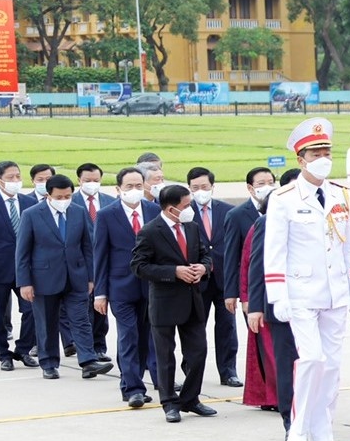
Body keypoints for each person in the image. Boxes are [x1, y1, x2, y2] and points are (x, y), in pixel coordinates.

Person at [263, 118, 350, 441]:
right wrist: (277, 295)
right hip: (301, 292)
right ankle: (299, 426)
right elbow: (274, 251)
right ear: (301, 158)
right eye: (315, 151)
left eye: (327, 150)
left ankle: (323, 431)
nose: (323, 156)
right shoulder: (284, 198)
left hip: (335, 291)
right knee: (310, 359)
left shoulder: (341, 194)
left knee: (332, 365)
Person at [130, 184, 217, 423]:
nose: (190, 209)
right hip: (165, 303)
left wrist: (204, 267)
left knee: (198, 353)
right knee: (165, 357)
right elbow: (139, 266)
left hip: (192, 301)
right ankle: (169, 402)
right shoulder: (150, 231)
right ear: (171, 209)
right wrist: (173, 271)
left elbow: (204, 254)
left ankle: (191, 398)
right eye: (186, 206)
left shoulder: (192, 227)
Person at [15, 174, 114, 381]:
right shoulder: (31, 214)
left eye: (67, 196)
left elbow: (88, 246)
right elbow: (22, 252)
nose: (64, 200)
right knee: (47, 322)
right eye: (59, 197)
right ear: (48, 195)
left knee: (81, 319)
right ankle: (49, 363)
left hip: (76, 277)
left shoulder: (78, 212)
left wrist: (90, 277)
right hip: (44, 278)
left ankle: (88, 361)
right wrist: (25, 282)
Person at [93, 167, 161, 407]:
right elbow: (100, 256)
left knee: (146, 337)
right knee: (128, 335)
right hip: (120, 286)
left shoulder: (154, 210)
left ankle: (142, 381)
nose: (134, 191)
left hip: (151, 286)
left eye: (138, 186)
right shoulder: (106, 215)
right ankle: (132, 388)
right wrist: (100, 293)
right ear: (118, 189)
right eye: (129, 186)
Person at [248, 169, 301, 437]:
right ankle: (289, 418)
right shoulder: (269, 221)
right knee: (286, 361)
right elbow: (258, 265)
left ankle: (313, 415)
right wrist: (255, 306)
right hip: (281, 301)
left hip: (314, 300)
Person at [187, 167, 241, 387]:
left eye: (205, 187)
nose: (201, 191)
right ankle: (192, 371)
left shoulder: (228, 211)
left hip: (224, 280)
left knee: (227, 327)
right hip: (197, 280)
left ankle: (228, 371)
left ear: (212, 187)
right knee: (194, 328)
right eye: (195, 188)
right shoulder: (184, 212)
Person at [0, 161, 39, 371]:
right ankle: (3, 353)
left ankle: (22, 350)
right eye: (10, 177)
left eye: (17, 176)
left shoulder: (29, 203)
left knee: (31, 310)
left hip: (26, 269)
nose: (15, 181)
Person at [72, 162, 114, 358]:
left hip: (105, 261)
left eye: (96, 180)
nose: (92, 184)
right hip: (82, 262)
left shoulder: (110, 201)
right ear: (79, 180)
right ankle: (86, 348)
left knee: (101, 307)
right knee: (85, 308)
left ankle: (99, 346)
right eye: (87, 181)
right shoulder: (71, 203)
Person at [223, 166, 276, 317]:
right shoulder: (236, 215)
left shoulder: (281, 209)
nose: (267, 187)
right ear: (250, 188)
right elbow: (231, 256)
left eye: (271, 183)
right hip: (251, 284)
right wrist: (231, 293)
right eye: (261, 184)